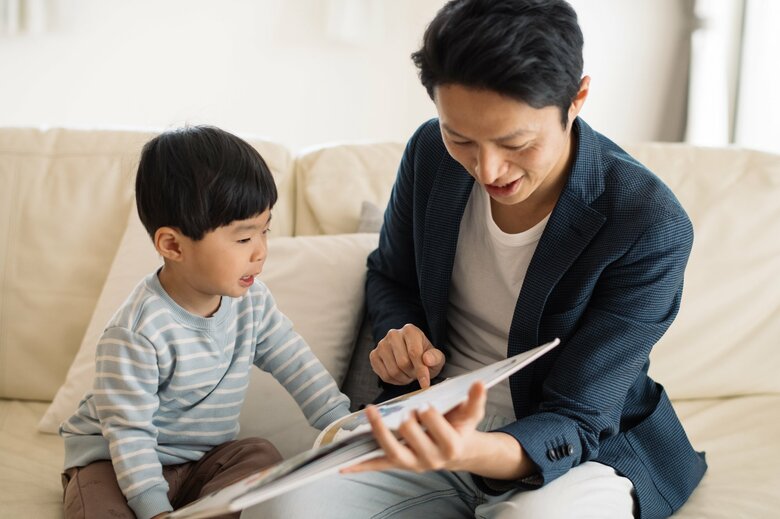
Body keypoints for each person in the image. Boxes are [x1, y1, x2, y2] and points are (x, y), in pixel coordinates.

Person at [254, 0, 707, 518]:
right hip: (432, 424)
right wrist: (400, 333)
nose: (487, 168)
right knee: (282, 508)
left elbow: (580, 418)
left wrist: (469, 450)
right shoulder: (429, 153)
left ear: (576, 98)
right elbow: (389, 274)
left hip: (579, 448)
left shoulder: (646, 221)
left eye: (515, 142)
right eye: (461, 138)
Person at [59, 126, 351, 519]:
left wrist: (344, 425)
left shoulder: (253, 304)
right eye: (244, 239)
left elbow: (296, 363)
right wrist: (153, 509)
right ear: (173, 245)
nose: (261, 252)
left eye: (265, 230)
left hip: (202, 460)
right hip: (113, 460)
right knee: (99, 507)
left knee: (260, 455)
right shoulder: (136, 333)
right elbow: (129, 435)